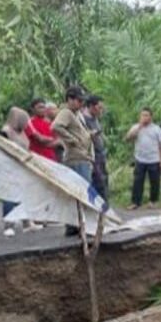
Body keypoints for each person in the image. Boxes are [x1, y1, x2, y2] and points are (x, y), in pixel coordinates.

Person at [51, 86, 94, 236]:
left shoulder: (77, 114)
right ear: (70, 99)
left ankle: (76, 224)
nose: (81, 104)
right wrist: (72, 140)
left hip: (82, 156)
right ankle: (79, 225)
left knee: (77, 192)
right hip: (75, 158)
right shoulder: (66, 112)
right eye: (79, 100)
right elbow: (56, 126)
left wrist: (87, 136)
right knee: (82, 192)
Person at [0, 107, 43, 237]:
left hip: (22, 167)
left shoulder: (22, 133)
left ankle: (26, 222)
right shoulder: (6, 132)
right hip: (9, 167)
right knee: (10, 195)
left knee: (24, 195)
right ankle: (9, 223)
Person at [125, 107, 161, 210]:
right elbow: (128, 138)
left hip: (154, 159)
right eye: (142, 115)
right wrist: (139, 127)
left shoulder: (156, 129)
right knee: (137, 181)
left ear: (151, 117)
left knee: (154, 182)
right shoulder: (136, 127)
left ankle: (153, 201)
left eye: (146, 115)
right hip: (140, 159)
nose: (144, 117)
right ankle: (135, 202)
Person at [82, 94, 109, 201]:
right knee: (99, 183)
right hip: (92, 156)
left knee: (104, 180)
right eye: (99, 107)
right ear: (91, 106)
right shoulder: (83, 120)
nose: (101, 110)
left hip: (100, 154)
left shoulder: (95, 118)